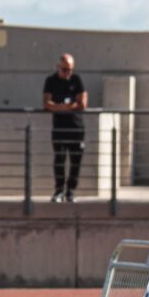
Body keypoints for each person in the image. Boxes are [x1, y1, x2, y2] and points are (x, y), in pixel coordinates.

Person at [43, 53, 87, 202]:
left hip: (76, 127)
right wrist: (63, 107)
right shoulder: (51, 81)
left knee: (76, 160)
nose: (67, 73)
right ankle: (59, 190)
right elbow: (47, 103)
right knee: (59, 159)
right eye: (64, 70)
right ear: (58, 67)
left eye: (70, 70)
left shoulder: (77, 80)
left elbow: (82, 103)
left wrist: (64, 106)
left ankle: (71, 190)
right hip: (59, 128)